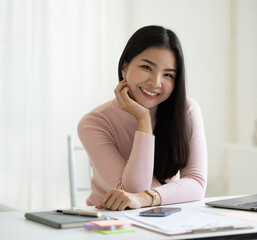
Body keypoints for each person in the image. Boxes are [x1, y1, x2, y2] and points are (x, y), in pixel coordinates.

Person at [78, 25, 207, 211]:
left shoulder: (187, 110)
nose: (155, 83)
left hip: (164, 217)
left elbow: (196, 184)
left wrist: (146, 198)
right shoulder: (94, 123)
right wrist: (143, 118)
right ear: (124, 67)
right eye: (147, 67)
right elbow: (130, 192)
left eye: (168, 75)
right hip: (108, 220)